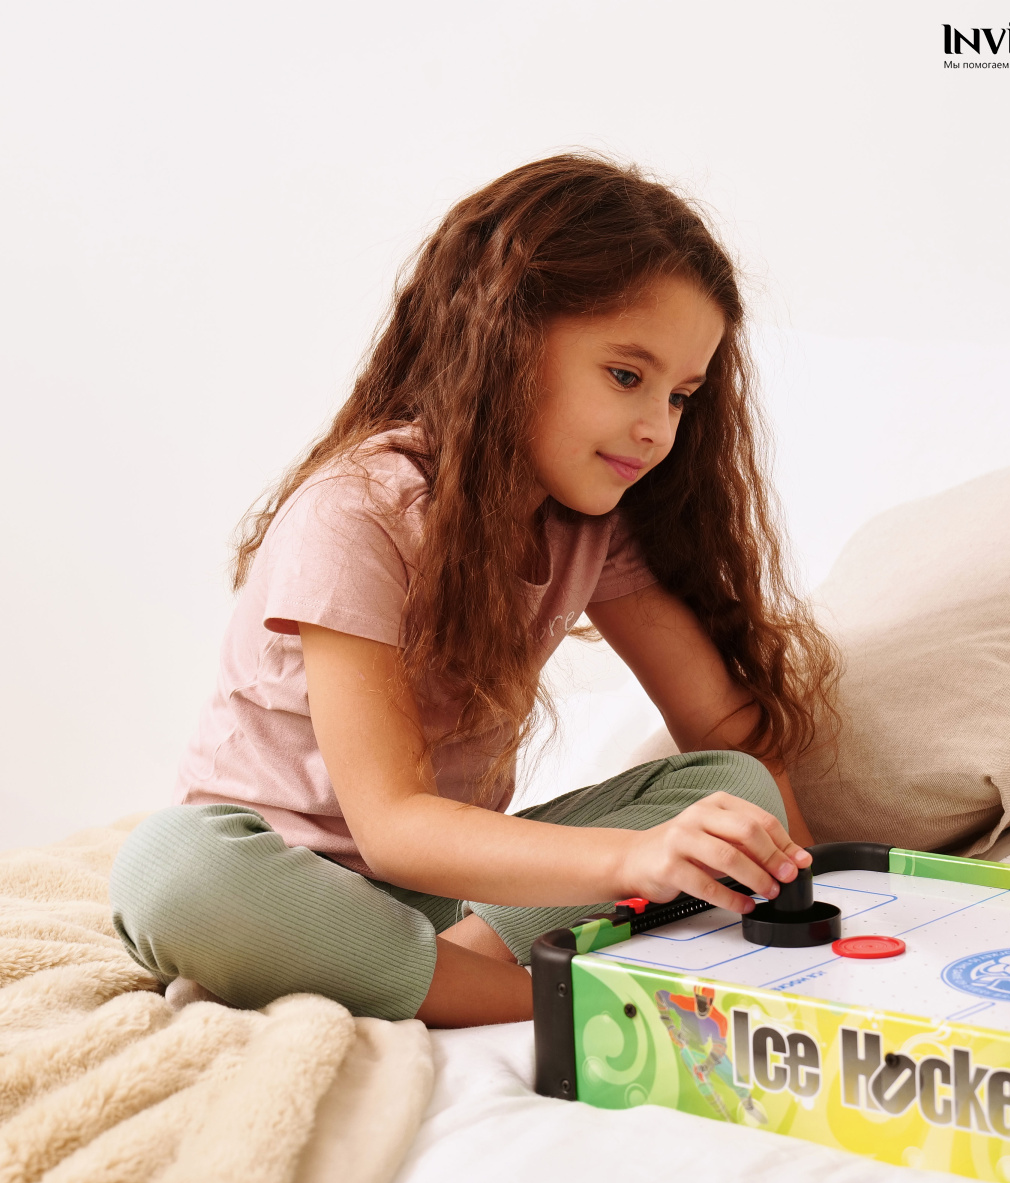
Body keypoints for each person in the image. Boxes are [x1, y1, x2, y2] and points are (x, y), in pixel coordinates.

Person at [109, 154, 839, 1028]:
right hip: (287, 885)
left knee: (735, 788)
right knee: (170, 870)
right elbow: (391, 828)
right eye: (626, 376)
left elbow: (717, 725)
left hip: (448, 899)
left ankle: (433, 972)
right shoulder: (358, 511)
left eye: (682, 396)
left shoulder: (592, 521)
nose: (657, 428)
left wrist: (811, 888)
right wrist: (630, 860)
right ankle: (541, 1001)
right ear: (505, 340)